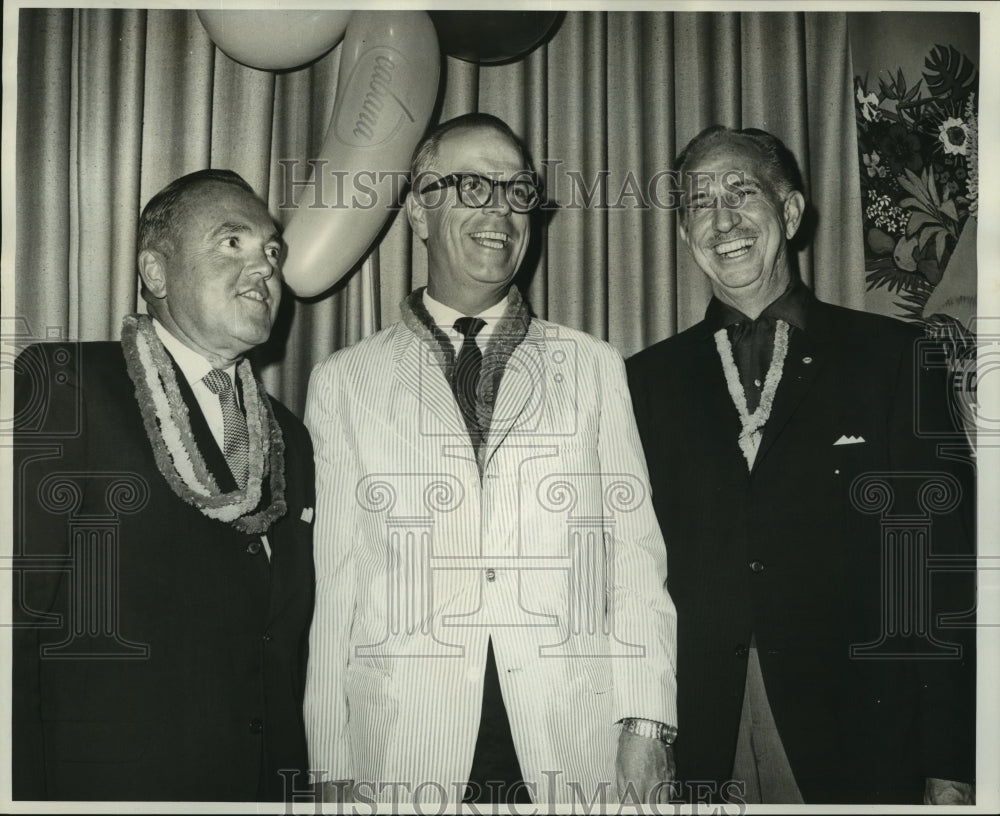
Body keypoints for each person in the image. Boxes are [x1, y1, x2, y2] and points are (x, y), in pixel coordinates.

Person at [303, 113, 677, 807]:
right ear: (418, 209)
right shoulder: (345, 381)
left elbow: (634, 557)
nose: (501, 210)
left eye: (517, 189)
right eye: (473, 186)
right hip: (404, 744)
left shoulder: (593, 367)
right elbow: (337, 585)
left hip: (569, 741)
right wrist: (328, 759)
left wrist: (648, 721)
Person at [626, 126, 976, 805]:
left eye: (741, 191)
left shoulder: (893, 359)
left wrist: (952, 761)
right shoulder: (645, 381)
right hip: (703, 731)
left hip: (861, 735)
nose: (722, 219)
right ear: (682, 233)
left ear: (789, 212)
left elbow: (939, 572)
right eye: (699, 203)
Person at [12, 169, 316, 802]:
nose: (263, 268)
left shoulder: (290, 436)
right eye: (231, 242)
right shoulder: (64, 386)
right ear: (156, 272)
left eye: (271, 251)